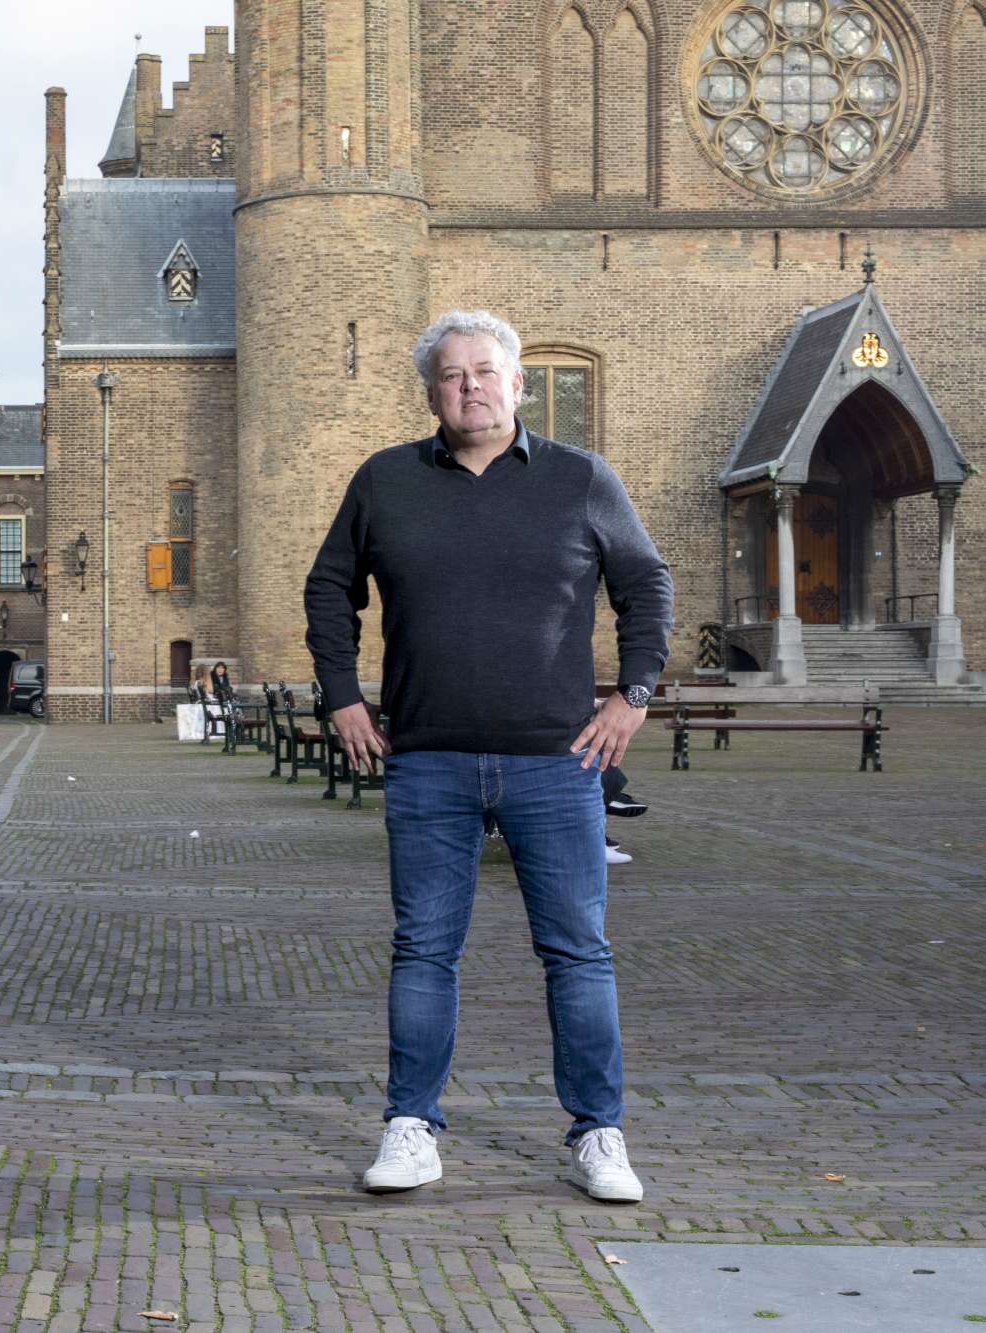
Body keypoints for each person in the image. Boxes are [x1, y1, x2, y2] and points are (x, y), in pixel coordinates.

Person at [303, 309, 672, 1204]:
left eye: (485, 371)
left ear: (517, 384)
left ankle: (599, 1133)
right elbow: (329, 587)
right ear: (431, 391)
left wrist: (634, 693)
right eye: (452, 374)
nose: (470, 385)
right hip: (428, 759)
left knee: (578, 950)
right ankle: (412, 1126)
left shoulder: (583, 480)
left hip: (556, 760)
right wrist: (343, 695)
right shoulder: (385, 481)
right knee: (424, 948)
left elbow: (645, 582)